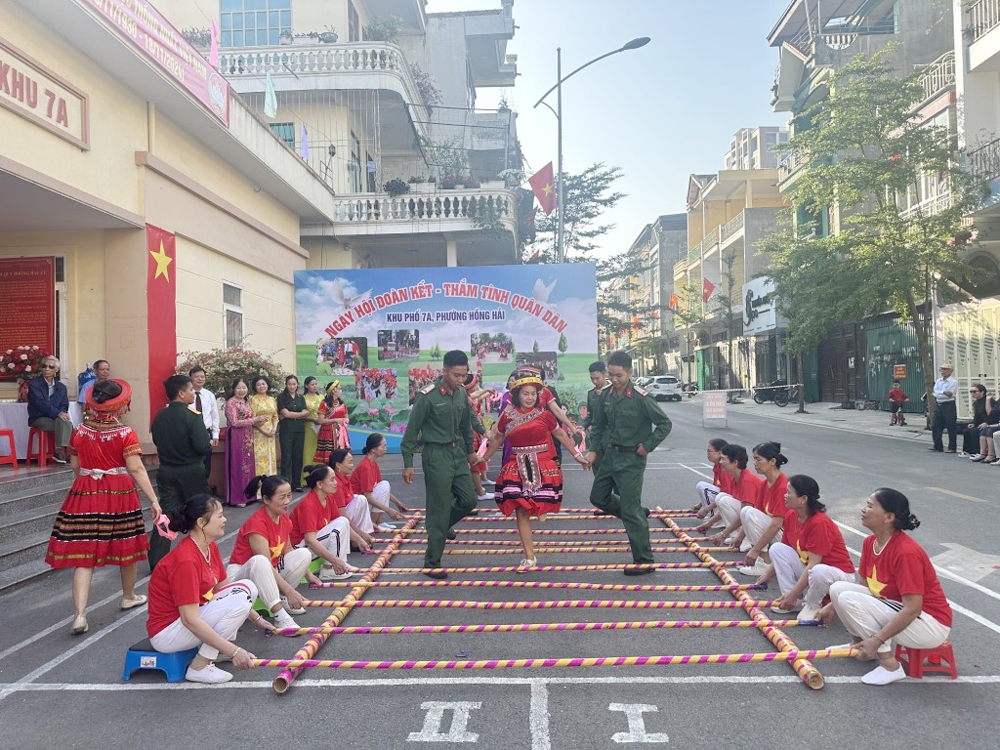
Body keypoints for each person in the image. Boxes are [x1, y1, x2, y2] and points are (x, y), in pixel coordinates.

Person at [45, 379, 160, 634]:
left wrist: (86, 480)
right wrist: (153, 500)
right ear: (119, 405)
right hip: (119, 490)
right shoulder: (125, 433)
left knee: (84, 556)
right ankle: (128, 595)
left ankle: (79, 615)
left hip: (85, 489)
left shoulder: (80, 431)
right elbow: (136, 468)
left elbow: (74, 465)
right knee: (126, 545)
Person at [817, 488, 952, 686]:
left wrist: (878, 639)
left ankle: (890, 665)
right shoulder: (870, 542)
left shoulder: (906, 553)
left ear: (889, 517)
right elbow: (863, 586)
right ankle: (859, 643)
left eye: (870, 506)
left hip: (929, 623)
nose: (863, 509)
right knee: (838, 589)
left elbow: (913, 608)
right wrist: (832, 605)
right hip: (900, 609)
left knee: (846, 597)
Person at [147, 494, 269, 684]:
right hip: (167, 632)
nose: (225, 519)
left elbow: (224, 587)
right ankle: (200, 666)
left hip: (184, 622)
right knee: (239, 598)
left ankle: (214, 651)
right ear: (201, 522)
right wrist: (234, 652)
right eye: (219, 516)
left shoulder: (209, 547)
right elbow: (190, 620)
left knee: (247, 589)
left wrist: (257, 619)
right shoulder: (186, 560)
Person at [483, 374, 590, 571]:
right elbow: (497, 439)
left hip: (542, 465)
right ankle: (529, 557)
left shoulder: (545, 415)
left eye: (533, 394)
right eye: (526, 394)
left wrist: (577, 455)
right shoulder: (507, 416)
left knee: (540, 502)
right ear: (517, 395)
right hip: (515, 465)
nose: (530, 397)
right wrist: (484, 458)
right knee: (521, 510)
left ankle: (539, 509)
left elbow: (560, 434)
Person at [584, 350, 672, 576]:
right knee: (598, 498)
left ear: (630, 372)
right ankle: (637, 512)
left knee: (629, 510)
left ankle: (644, 560)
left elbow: (664, 424)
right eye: (611, 375)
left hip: (632, 459)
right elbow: (598, 424)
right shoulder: (605, 394)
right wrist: (593, 450)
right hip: (610, 455)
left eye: (619, 375)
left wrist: (648, 445)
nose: (614, 379)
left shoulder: (642, 398)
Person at [401, 349, 480, 579]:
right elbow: (411, 432)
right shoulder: (428, 396)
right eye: (456, 375)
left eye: (464, 375)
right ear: (444, 371)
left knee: (469, 500)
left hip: (457, 454)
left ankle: (443, 525)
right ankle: (431, 561)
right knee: (439, 508)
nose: (461, 379)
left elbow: (466, 426)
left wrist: (471, 452)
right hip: (436, 455)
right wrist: (408, 463)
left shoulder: (461, 393)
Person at [760, 474, 855, 622]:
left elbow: (814, 563)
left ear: (803, 499)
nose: (785, 496)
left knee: (818, 570)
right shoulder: (792, 515)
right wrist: (767, 574)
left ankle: (812, 605)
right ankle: (794, 601)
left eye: (789, 492)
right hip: (815, 572)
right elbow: (785, 550)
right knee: (777, 548)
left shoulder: (819, 523)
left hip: (838, 576)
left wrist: (794, 591)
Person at [226, 474, 311, 633]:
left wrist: (309, 575)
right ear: (266, 499)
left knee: (303, 554)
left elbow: (289, 552)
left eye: (289, 495)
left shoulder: (284, 519)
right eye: (282, 497)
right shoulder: (257, 524)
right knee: (260, 561)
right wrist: (290, 590)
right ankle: (279, 615)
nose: (287, 501)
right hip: (241, 576)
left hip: (265, 570)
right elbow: (264, 562)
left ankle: (282, 601)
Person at [150, 375, 212, 570]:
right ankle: (202, 554)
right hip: (192, 470)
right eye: (191, 390)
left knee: (166, 515)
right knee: (201, 513)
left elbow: (157, 442)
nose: (193, 393)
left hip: (167, 470)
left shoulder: (159, 416)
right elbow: (203, 446)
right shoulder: (192, 416)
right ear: (181, 393)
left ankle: (157, 560)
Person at [291, 464, 361, 582]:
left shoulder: (328, 497)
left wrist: (359, 540)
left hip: (311, 545)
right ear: (319, 484)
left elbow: (340, 523)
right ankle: (329, 568)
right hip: (299, 549)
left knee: (342, 522)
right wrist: (334, 560)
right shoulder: (309, 505)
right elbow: (309, 540)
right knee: (339, 524)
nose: (336, 483)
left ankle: (341, 562)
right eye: (332, 479)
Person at [737, 442, 790, 577]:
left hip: (788, 538)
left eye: (758, 459)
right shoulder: (764, 484)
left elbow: (777, 524)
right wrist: (740, 536)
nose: (754, 463)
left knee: (748, 512)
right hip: (778, 534)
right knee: (747, 511)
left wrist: (755, 549)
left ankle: (765, 563)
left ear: (772, 461)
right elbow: (758, 512)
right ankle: (765, 559)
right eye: (754, 459)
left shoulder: (783, 487)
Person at [352, 433, 410, 531]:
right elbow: (367, 496)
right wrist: (388, 510)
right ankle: (372, 524)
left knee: (384, 485)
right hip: (357, 504)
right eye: (383, 446)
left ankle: (379, 522)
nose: (385, 448)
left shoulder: (373, 464)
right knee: (384, 485)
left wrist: (398, 503)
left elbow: (382, 489)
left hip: (363, 501)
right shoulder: (366, 466)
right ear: (373, 449)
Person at [707, 444, 763, 544]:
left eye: (723, 459)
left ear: (735, 462)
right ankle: (736, 536)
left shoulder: (747, 481)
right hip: (753, 517)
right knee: (721, 498)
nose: (720, 462)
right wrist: (709, 523)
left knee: (725, 500)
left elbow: (745, 513)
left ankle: (745, 540)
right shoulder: (736, 477)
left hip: (759, 521)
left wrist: (723, 533)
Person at [327, 448, 377, 550]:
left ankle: (359, 538)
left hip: (340, 517)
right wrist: (360, 534)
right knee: (360, 499)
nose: (352, 465)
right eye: (350, 462)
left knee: (359, 499)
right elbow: (342, 515)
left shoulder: (344, 478)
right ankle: (354, 540)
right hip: (334, 521)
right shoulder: (337, 484)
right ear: (338, 465)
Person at [223, 377, 262, 507]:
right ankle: (237, 498)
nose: (241, 390)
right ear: (234, 389)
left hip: (248, 437)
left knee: (248, 466)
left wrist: (257, 420)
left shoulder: (246, 402)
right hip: (236, 437)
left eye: (244, 388)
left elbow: (250, 418)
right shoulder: (231, 403)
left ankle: (249, 495)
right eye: (239, 388)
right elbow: (234, 422)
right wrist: (254, 420)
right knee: (238, 466)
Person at [27, 355, 72, 464]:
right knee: (67, 425)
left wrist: (61, 413)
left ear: (56, 370)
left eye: (51, 367)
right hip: (39, 417)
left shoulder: (61, 387)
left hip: (55, 418)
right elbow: (40, 403)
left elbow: (64, 404)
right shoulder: (34, 384)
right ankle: (65, 452)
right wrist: (58, 413)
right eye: (44, 366)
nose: (47, 369)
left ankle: (61, 452)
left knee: (63, 421)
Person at [277, 374, 308, 491]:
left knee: (298, 457)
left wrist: (292, 415)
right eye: (289, 384)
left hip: (300, 430)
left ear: (297, 385)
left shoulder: (301, 397)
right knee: (286, 457)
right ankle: (285, 484)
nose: (292, 386)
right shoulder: (281, 397)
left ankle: (296, 483)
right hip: (286, 431)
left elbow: (307, 413)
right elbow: (285, 414)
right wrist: (299, 414)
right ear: (286, 384)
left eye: (294, 384)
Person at [189, 366, 220, 477]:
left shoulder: (209, 395)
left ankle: (204, 489)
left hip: (206, 432)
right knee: (191, 462)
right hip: (190, 433)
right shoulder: (185, 394)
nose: (200, 379)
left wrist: (215, 435)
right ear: (190, 378)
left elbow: (215, 416)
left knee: (206, 463)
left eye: (202, 376)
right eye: (196, 376)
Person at [690, 438, 729, 519]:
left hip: (732, 500)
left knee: (702, 486)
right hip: (727, 499)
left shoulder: (726, 468)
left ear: (720, 453)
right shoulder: (717, 466)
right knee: (703, 487)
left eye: (709, 451)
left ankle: (715, 517)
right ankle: (716, 516)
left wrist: (706, 509)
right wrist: (701, 504)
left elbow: (726, 494)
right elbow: (715, 492)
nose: (707, 454)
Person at [314, 380, 348, 463]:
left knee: (341, 459)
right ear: (333, 390)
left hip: (341, 432)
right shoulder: (324, 404)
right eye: (339, 389)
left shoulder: (342, 404)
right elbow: (320, 420)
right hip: (328, 433)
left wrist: (344, 421)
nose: (341, 391)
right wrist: (335, 420)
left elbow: (346, 418)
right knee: (329, 459)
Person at [249, 376, 278, 475]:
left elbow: (275, 416)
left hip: (271, 432)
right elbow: (252, 419)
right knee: (260, 458)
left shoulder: (272, 399)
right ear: (255, 387)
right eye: (258, 385)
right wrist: (264, 431)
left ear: (267, 385)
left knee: (271, 457)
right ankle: (260, 487)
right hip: (259, 433)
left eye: (263, 384)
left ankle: (272, 485)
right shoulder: (253, 399)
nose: (261, 386)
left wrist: (274, 429)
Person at [929, 363, 958, 453]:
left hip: (949, 404)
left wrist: (941, 393)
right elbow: (934, 393)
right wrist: (943, 392)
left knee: (951, 426)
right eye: (941, 370)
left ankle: (952, 447)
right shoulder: (938, 381)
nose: (943, 372)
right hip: (939, 404)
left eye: (945, 369)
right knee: (936, 425)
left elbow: (950, 394)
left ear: (950, 371)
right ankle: (937, 445)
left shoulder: (953, 382)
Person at [301, 376, 323, 486]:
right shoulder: (303, 398)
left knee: (319, 451)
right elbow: (301, 415)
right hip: (308, 427)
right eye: (312, 384)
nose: (314, 386)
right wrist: (312, 420)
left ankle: (319, 476)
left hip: (321, 429)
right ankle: (306, 478)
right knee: (308, 452)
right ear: (306, 386)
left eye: (315, 384)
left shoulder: (321, 398)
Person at [964, 384, 991, 457]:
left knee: (974, 431)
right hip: (980, 422)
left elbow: (991, 414)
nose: (972, 393)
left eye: (974, 391)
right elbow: (976, 415)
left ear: (982, 392)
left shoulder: (988, 401)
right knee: (967, 430)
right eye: (971, 392)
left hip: (988, 422)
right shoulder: (976, 403)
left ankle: (975, 451)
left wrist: (986, 423)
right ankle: (967, 451)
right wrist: (973, 423)